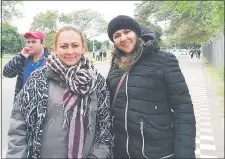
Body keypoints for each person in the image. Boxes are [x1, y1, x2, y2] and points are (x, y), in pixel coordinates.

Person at [6, 26, 113, 159]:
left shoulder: (97, 82)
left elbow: (105, 127)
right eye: (64, 46)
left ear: (83, 48)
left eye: (75, 45)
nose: (70, 51)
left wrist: (96, 156)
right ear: (55, 49)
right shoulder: (38, 79)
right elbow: (18, 126)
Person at [106, 15, 196, 158]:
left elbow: (183, 110)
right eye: (117, 35)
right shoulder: (116, 65)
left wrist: (184, 153)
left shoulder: (164, 60)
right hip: (121, 151)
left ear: (136, 33)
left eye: (127, 31)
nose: (123, 38)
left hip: (158, 151)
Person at [3, 31, 50, 99]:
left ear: (42, 43)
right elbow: (6, 73)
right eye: (28, 42)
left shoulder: (51, 61)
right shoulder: (23, 59)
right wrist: (21, 56)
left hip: (42, 106)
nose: (30, 45)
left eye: (33, 42)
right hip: (22, 105)